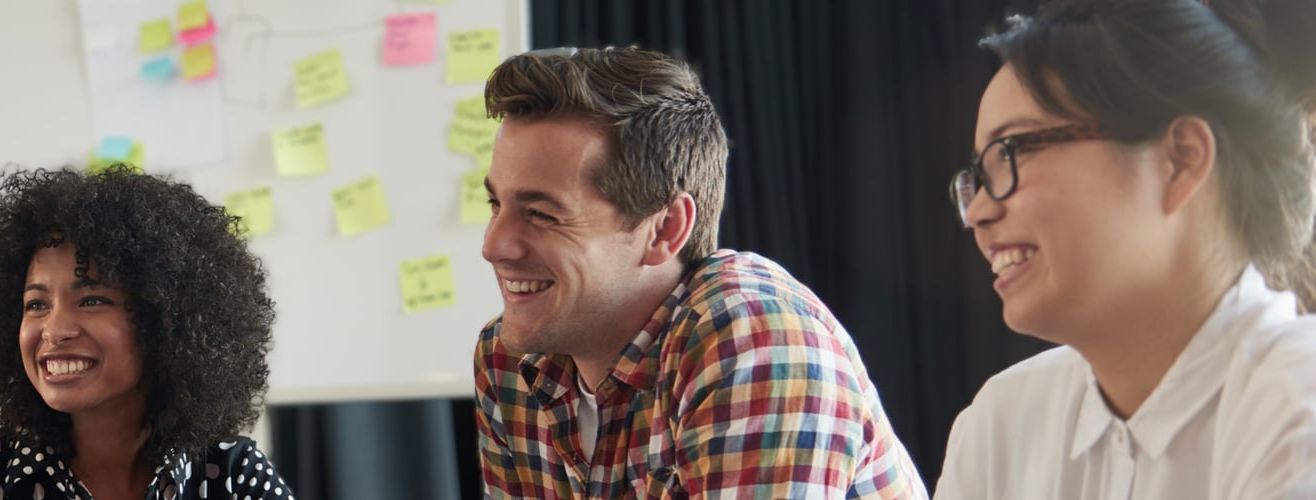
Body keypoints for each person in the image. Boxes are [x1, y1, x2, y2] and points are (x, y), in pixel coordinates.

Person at [472, 47, 927, 499]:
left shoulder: (755, 338)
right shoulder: (511, 360)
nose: (493, 245)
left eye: (541, 214)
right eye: (496, 204)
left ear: (665, 229)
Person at [936, 0, 1316, 498]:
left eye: (1012, 151)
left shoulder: (1299, 407)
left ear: (1181, 159)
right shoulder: (1000, 425)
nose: (980, 212)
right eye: (978, 178)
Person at [0, 168, 292, 500]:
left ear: (164, 319)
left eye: (92, 300)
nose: (55, 331)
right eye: (36, 305)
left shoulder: (233, 477)